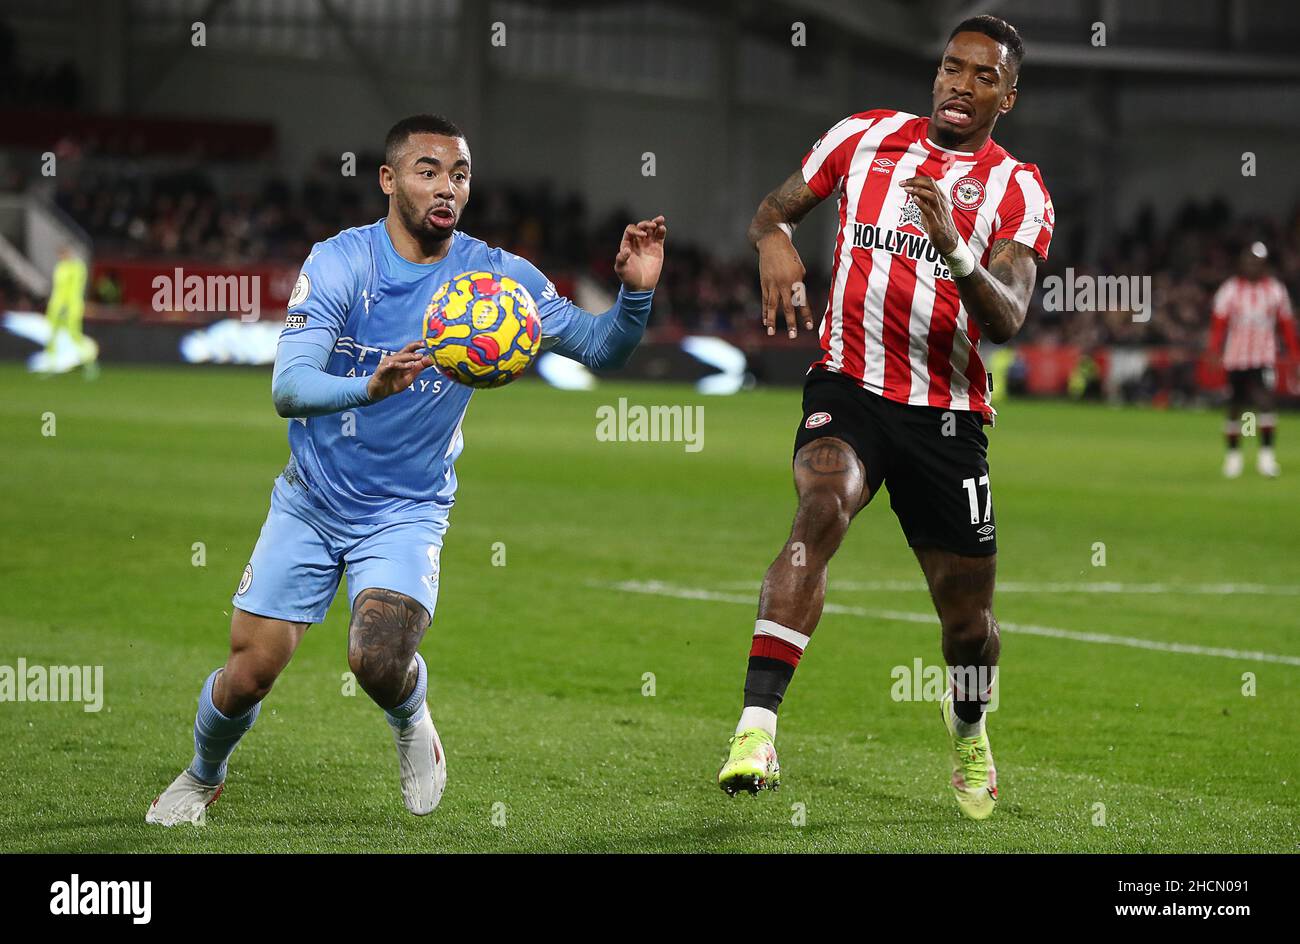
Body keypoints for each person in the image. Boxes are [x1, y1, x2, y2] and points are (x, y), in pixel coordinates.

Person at [147, 114, 667, 825]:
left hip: (406, 508)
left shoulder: (497, 279)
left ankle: (411, 720)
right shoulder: (340, 262)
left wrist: (635, 292)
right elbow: (287, 389)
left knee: (377, 658)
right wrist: (370, 386)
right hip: (310, 501)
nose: (446, 188)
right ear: (389, 180)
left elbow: (602, 349)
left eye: (459, 174)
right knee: (248, 675)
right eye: (428, 171)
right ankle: (203, 773)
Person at [717, 15, 1052, 821]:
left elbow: (1006, 317)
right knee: (819, 508)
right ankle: (756, 728)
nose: (959, 85)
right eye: (951, 67)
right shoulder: (863, 136)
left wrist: (957, 250)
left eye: (981, 76)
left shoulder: (1017, 188)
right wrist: (774, 239)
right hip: (851, 389)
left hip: (949, 417)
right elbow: (775, 209)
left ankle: (968, 725)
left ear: (1008, 95)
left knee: (969, 625)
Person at [1208, 242, 1298, 478]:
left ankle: (1266, 457)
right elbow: (1219, 323)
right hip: (1236, 357)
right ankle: (1234, 456)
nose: (1252, 265)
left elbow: (1286, 325)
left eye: (1256, 261)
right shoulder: (1230, 289)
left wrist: (1294, 355)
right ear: (1242, 262)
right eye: (1248, 260)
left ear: (1264, 264)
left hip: (1263, 356)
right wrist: (1214, 351)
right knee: (1237, 405)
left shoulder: (1275, 291)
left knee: (1265, 401)